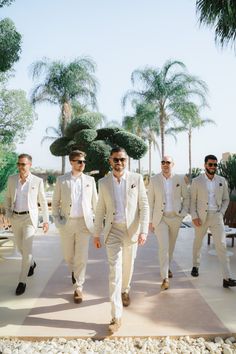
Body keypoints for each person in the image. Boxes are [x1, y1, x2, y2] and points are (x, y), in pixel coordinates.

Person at [93, 147, 149, 334]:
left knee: (128, 266)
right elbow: (100, 208)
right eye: (116, 160)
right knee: (114, 272)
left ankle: (126, 289)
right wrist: (96, 233)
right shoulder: (103, 182)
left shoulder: (136, 179)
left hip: (131, 230)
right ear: (110, 161)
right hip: (113, 232)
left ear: (127, 161)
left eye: (123, 160)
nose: (119, 163)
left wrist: (143, 231)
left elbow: (144, 206)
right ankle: (116, 316)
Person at [52, 150, 98, 303]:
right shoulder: (61, 180)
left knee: (81, 256)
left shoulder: (90, 181)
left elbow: (95, 204)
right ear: (72, 162)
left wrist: (96, 224)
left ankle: (79, 287)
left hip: (84, 223)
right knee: (68, 256)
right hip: (67, 223)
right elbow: (55, 203)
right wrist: (58, 223)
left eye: (84, 161)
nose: (82, 164)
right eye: (79, 161)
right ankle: (75, 272)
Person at [4, 153, 49, 295]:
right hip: (15, 218)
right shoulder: (12, 180)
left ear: (30, 165)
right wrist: (7, 215)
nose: (20, 167)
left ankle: (22, 281)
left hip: (30, 219)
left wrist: (46, 220)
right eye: (19, 164)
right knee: (20, 247)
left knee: (27, 250)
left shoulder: (37, 181)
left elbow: (43, 202)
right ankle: (32, 263)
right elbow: (8, 197)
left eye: (23, 164)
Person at [190, 154, 236, 288]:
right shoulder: (197, 181)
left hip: (216, 216)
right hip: (201, 217)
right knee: (198, 243)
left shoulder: (222, 180)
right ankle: (195, 266)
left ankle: (227, 278)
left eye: (215, 165)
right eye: (210, 164)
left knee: (221, 245)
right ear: (205, 165)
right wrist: (194, 216)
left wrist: (221, 213)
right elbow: (192, 201)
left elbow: (226, 199)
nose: (213, 167)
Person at [148, 156, 189, 290]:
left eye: (168, 162)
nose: (165, 164)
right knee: (163, 247)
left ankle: (167, 267)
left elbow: (186, 197)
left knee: (171, 247)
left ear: (173, 164)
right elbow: (150, 202)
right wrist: (150, 221)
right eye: (163, 162)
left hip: (175, 218)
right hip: (160, 219)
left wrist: (182, 214)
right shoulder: (154, 180)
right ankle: (165, 277)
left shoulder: (180, 179)